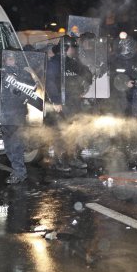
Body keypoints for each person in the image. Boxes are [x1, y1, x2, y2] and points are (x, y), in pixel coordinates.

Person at [45, 35, 92, 172]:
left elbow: (87, 73)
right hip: (60, 104)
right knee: (60, 132)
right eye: (73, 47)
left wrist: (84, 84)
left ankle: (73, 158)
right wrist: (56, 100)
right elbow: (50, 82)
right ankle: (59, 160)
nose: (75, 50)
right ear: (66, 48)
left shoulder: (72, 62)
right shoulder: (54, 63)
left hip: (73, 103)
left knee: (74, 131)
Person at [0, 51, 35, 184]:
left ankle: (20, 173)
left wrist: (17, 81)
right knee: (9, 147)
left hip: (17, 115)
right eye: (7, 59)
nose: (10, 61)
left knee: (16, 146)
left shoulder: (23, 73)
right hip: (4, 115)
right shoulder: (2, 73)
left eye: (12, 59)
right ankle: (17, 170)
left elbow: (32, 88)